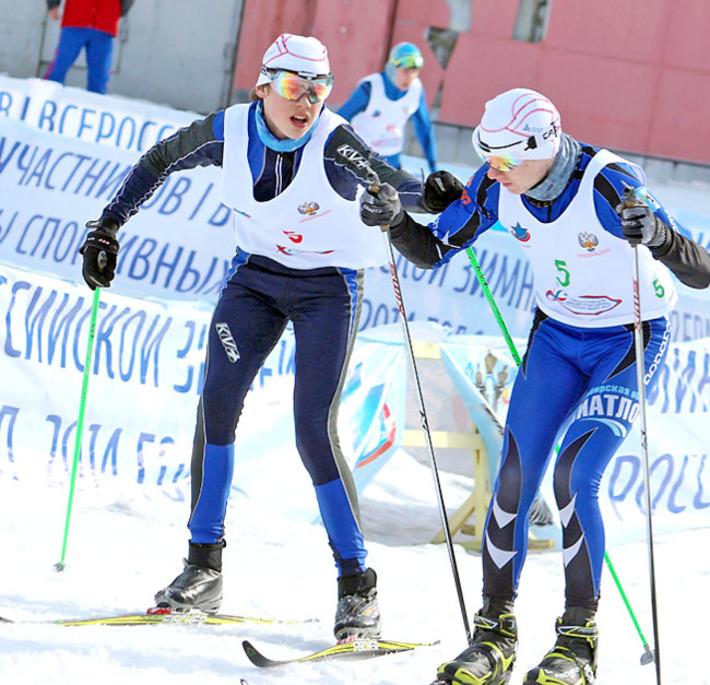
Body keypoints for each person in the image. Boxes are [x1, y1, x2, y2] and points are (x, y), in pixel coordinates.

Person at [78, 33, 461, 640]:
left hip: (329, 289)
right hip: (255, 280)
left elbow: (391, 179)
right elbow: (157, 162)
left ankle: (357, 586)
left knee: (313, 426)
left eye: (318, 89)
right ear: (262, 87)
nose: (305, 101)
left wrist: (429, 193)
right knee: (218, 407)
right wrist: (107, 230)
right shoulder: (227, 131)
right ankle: (203, 568)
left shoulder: (334, 140)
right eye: (291, 87)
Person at [360, 87, 710, 684]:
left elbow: (701, 271)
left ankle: (578, 643)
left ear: (541, 145)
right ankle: (493, 637)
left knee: (574, 478)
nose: (490, 168)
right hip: (555, 341)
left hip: (626, 340)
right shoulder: (501, 184)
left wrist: (656, 235)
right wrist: (395, 221)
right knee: (513, 482)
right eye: (485, 154)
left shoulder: (609, 183)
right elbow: (431, 248)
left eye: (501, 157)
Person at [338, 42, 438, 174]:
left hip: (391, 158)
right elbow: (340, 119)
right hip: (362, 156)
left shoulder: (416, 89)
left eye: (415, 72)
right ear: (392, 68)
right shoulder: (371, 88)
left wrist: (433, 166)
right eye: (406, 71)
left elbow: (424, 128)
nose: (410, 77)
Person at [44, 0, 134, 94]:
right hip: (75, 20)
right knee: (60, 65)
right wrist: (53, 4)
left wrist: (118, 9)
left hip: (105, 27)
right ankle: (47, 97)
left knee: (100, 74)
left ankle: (95, 104)